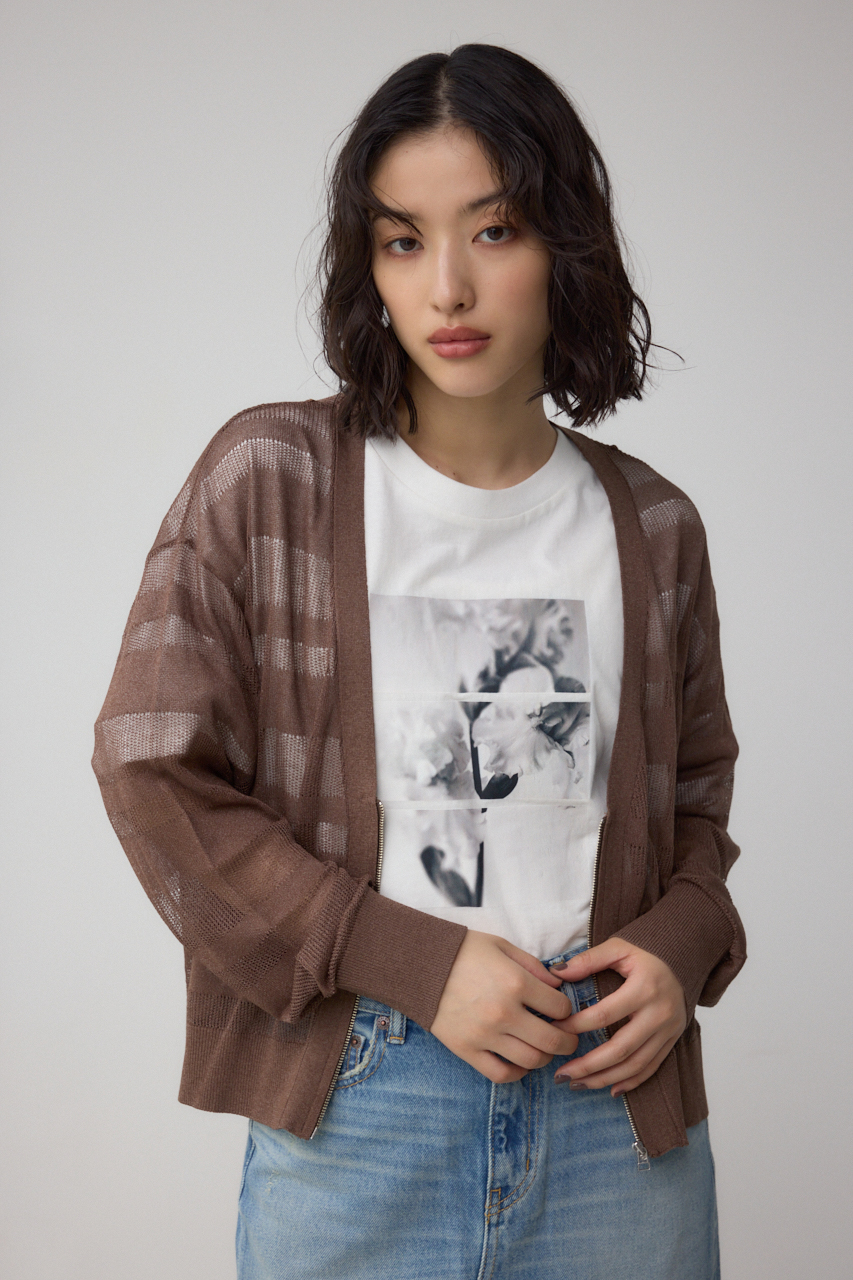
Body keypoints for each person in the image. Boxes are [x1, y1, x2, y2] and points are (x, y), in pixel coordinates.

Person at [92, 43, 745, 1280]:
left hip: (614, 1111)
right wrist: (409, 959)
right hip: (364, 1100)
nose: (447, 285)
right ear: (370, 267)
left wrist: (684, 935)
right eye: (402, 240)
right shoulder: (270, 481)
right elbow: (149, 764)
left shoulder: (653, 526)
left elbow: (698, 802)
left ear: (565, 247)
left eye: (493, 231)